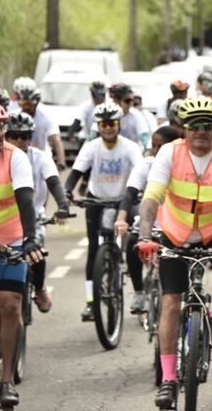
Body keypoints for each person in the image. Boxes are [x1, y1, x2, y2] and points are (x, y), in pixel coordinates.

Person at [135, 97, 212, 408]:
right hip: (174, 231)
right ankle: (167, 380)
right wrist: (144, 236)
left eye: (207, 126)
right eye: (195, 127)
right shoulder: (169, 152)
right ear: (185, 130)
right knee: (170, 303)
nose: (201, 132)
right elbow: (151, 197)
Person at [0, 100, 44, 408]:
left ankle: (6, 380)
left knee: (10, 305)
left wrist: (29, 238)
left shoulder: (16, 158)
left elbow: (25, 199)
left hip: (10, 239)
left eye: (1, 126)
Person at [64, 102, 143, 320]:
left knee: (132, 242)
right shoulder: (91, 147)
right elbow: (76, 172)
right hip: (97, 201)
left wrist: (141, 191)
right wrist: (68, 191)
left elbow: (140, 171)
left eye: (112, 123)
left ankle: (138, 289)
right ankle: (91, 302)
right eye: (103, 124)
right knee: (93, 251)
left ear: (119, 124)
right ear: (98, 127)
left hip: (124, 200)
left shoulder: (130, 147)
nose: (108, 128)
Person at [5, 112, 71, 314]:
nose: (19, 141)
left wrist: (63, 205)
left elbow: (53, 182)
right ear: (6, 136)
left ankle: (40, 288)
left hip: (34, 216)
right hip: (4, 219)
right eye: (14, 135)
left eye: (24, 136)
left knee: (37, 251)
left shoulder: (41, 157)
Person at [113, 126, 181, 314]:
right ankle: (139, 292)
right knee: (133, 244)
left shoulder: (184, 165)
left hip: (177, 224)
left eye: (162, 147)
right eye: (153, 146)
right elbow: (130, 193)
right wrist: (121, 218)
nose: (156, 151)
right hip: (150, 221)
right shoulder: (146, 164)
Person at [11, 77, 67, 170]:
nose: (25, 107)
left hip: (42, 158)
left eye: (28, 104)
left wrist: (61, 161)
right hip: (19, 156)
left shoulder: (46, 114)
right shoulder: (14, 115)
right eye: (23, 103)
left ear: (35, 103)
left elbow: (56, 139)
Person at [108, 83, 150, 151]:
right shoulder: (107, 114)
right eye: (128, 101)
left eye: (132, 100)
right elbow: (94, 134)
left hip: (131, 153)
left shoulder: (136, 115)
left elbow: (144, 135)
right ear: (116, 101)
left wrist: (147, 149)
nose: (131, 104)